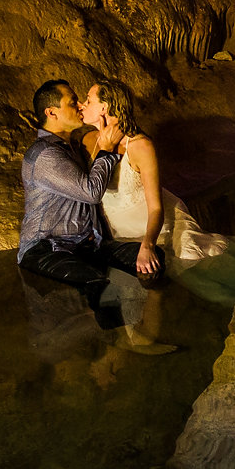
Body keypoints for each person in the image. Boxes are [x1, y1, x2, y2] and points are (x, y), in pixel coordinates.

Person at [78, 79, 235, 306]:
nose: (82, 105)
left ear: (104, 108)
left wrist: (147, 244)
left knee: (200, 268)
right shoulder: (88, 141)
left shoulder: (140, 146)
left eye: (88, 100)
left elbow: (155, 207)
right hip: (122, 234)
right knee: (207, 284)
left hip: (160, 228)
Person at [16, 78, 144, 324]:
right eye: (72, 102)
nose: (79, 106)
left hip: (86, 243)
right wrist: (106, 151)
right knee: (98, 282)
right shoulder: (45, 154)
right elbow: (91, 192)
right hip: (44, 248)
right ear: (52, 112)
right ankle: (118, 345)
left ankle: (145, 325)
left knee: (147, 257)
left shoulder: (70, 146)